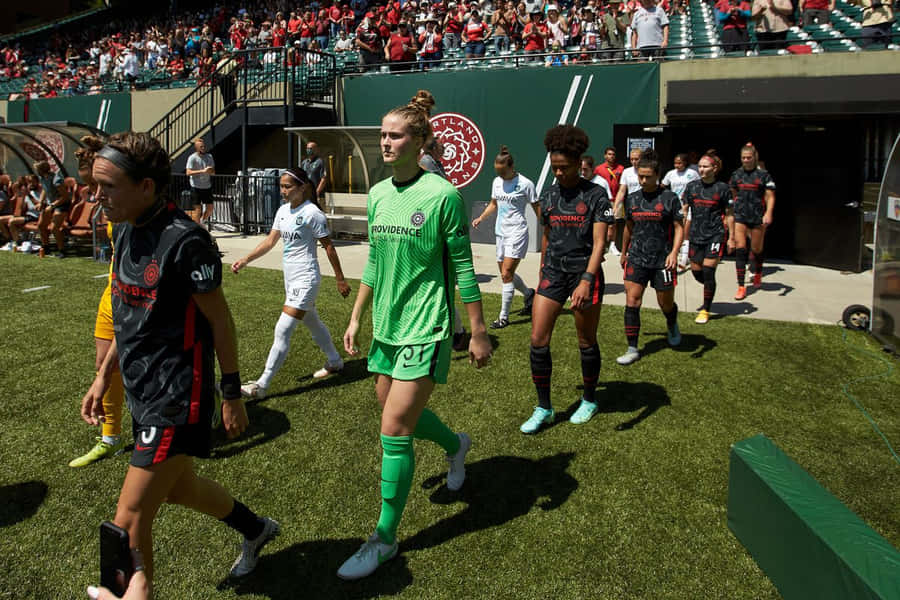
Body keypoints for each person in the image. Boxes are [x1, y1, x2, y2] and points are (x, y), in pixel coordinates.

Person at [80, 131, 279, 588]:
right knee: (178, 489)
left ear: (146, 186)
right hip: (140, 390)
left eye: (108, 186)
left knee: (128, 518)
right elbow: (130, 317)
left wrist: (231, 393)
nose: (98, 196)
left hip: (177, 399)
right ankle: (256, 529)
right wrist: (101, 377)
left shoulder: (185, 240)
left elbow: (221, 322)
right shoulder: (127, 229)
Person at [338, 92, 491, 580]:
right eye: (382, 134)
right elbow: (377, 263)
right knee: (394, 414)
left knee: (394, 430)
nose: (386, 142)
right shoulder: (379, 193)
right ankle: (456, 445)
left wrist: (479, 330)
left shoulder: (444, 197)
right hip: (387, 324)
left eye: (395, 135)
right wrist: (358, 317)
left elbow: (464, 267)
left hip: (429, 325)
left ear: (420, 141)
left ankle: (383, 539)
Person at [521, 125, 613, 433]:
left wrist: (587, 279)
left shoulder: (597, 196)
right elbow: (547, 234)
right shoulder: (548, 195)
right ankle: (543, 407)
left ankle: (589, 399)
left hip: (584, 274)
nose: (558, 173)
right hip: (553, 274)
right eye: (554, 167)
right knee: (537, 340)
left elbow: (600, 243)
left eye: (564, 168)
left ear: (578, 164)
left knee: (585, 340)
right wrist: (543, 267)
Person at [234, 167, 351, 399]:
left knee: (283, 329)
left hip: (306, 278)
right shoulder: (282, 211)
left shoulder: (312, 214)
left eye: (287, 186)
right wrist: (246, 259)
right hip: (290, 278)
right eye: (281, 186)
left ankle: (261, 385)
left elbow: (328, 246)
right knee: (312, 322)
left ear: (303, 187)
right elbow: (270, 241)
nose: (283, 191)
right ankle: (335, 361)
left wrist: (340, 279)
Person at [70, 135, 130, 468]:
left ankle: (206, 400)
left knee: (144, 366)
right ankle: (111, 438)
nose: (93, 195)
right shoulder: (108, 205)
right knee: (102, 362)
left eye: (97, 186)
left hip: (137, 294)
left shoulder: (132, 207)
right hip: (112, 290)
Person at [617, 151, 684, 366]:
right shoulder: (632, 199)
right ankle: (632, 348)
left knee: (665, 303)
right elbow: (629, 227)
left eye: (647, 176)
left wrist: (674, 253)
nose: (643, 180)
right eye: (640, 176)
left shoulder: (670, 198)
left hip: (662, 260)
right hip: (637, 258)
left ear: (657, 175)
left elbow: (678, 228)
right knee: (632, 300)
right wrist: (624, 252)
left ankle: (672, 323)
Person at [471, 146, 538, 329]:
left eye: (502, 170)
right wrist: (481, 217)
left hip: (517, 233)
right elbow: (494, 203)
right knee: (505, 274)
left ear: (511, 166)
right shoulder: (496, 182)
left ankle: (503, 317)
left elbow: (537, 208)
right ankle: (529, 294)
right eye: (497, 171)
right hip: (500, 232)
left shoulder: (526, 184)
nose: (499, 174)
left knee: (506, 274)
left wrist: (549, 230)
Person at [683, 150, 732, 324]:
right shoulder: (692, 187)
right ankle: (710, 288)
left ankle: (705, 309)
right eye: (700, 167)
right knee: (697, 272)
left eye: (705, 167)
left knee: (709, 271)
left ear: (715, 168)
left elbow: (729, 214)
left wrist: (731, 237)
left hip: (715, 235)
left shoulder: (723, 188)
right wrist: (681, 233)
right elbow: (685, 211)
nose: (702, 170)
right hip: (696, 235)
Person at [728, 143, 775, 300]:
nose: (746, 160)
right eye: (743, 158)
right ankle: (741, 286)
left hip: (757, 217)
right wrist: (729, 214)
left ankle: (758, 272)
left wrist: (768, 213)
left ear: (755, 157)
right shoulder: (736, 175)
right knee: (740, 249)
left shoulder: (763, 175)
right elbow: (732, 195)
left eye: (749, 157)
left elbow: (770, 196)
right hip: (740, 216)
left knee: (756, 249)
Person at [661, 153, 700, 268]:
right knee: (675, 230)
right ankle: (674, 252)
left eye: (680, 163)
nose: (677, 165)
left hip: (688, 205)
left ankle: (684, 257)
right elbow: (663, 185)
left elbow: (699, 186)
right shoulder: (671, 174)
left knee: (685, 231)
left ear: (685, 163)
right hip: (674, 205)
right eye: (675, 163)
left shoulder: (692, 173)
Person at [612, 147, 643, 255]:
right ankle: (630, 251)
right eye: (632, 159)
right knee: (630, 228)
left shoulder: (647, 170)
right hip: (631, 205)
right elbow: (622, 191)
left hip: (645, 205)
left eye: (636, 159)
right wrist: (616, 206)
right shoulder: (626, 172)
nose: (634, 161)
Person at [185, 138, 215, 226]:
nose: (203, 148)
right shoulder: (192, 158)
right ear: (196, 148)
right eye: (201, 147)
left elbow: (213, 171)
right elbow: (188, 172)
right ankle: (197, 227)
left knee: (210, 208)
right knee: (197, 210)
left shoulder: (209, 157)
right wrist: (202, 171)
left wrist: (210, 171)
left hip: (207, 186)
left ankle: (201, 222)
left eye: (204, 146)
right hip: (196, 187)